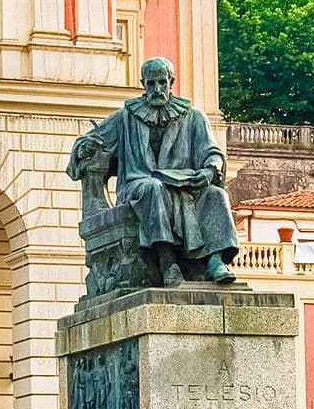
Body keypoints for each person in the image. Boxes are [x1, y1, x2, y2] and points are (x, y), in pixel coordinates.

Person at [72, 57, 241, 286]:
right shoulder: (126, 117)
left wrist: (211, 170)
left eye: (162, 82)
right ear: (143, 83)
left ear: (171, 81)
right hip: (138, 184)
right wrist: (86, 148)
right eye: (151, 84)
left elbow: (212, 152)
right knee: (154, 188)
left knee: (215, 194)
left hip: (186, 184)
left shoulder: (194, 117)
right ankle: (167, 261)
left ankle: (215, 261)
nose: (157, 89)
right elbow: (87, 142)